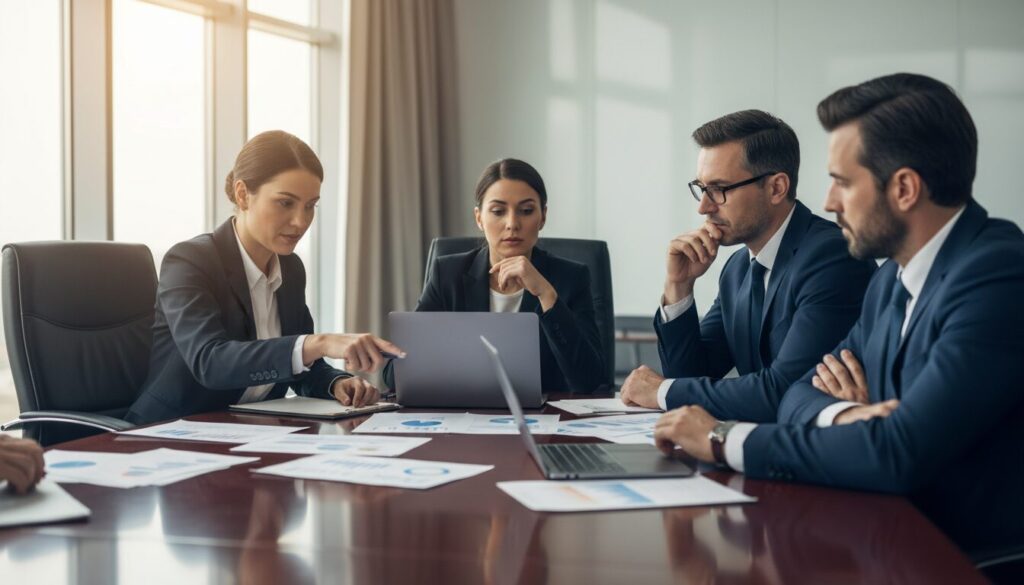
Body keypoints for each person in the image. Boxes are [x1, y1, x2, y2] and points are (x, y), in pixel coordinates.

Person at [652, 73, 1024, 558]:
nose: (828, 202)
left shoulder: (998, 273)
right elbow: (798, 395)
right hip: (885, 536)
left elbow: (897, 451)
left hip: (966, 560)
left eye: (843, 182)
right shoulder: (891, 279)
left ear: (904, 188)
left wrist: (721, 438)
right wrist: (848, 415)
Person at [126, 131, 403, 425]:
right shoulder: (190, 260)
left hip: (248, 430)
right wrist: (319, 342)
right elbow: (210, 362)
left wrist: (336, 383)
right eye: (285, 203)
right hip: (172, 430)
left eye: (310, 206)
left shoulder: (290, 268)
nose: (301, 221)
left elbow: (298, 365)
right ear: (243, 194)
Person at [620, 110, 875, 422]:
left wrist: (661, 392)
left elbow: (785, 391)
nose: (704, 207)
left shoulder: (832, 257)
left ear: (776, 188)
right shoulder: (738, 269)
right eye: (702, 188)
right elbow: (690, 375)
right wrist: (679, 286)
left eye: (719, 189)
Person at [384, 158, 605, 394]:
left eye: (526, 211)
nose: (512, 224)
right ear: (479, 218)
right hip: (464, 411)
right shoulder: (447, 275)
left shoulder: (571, 278)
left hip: (544, 414)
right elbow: (395, 375)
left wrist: (546, 294)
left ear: (543, 217)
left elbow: (590, 381)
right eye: (498, 211)